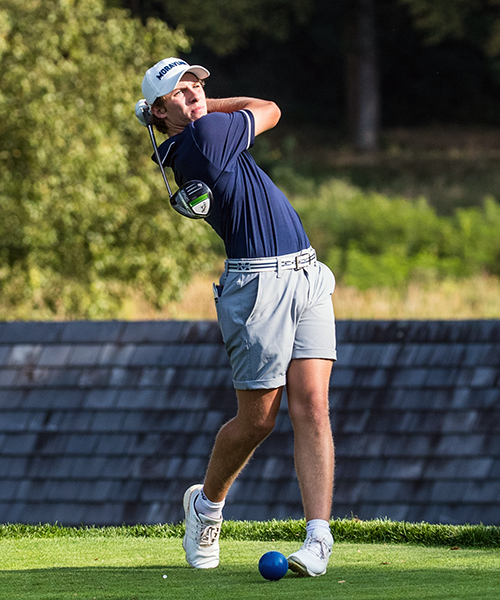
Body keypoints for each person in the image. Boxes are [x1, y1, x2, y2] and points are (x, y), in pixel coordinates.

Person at [140, 58, 338, 576]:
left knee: (313, 407)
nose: (196, 96)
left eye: (197, 86)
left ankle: (318, 539)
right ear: (161, 110)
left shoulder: (194, 135)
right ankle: (207, 505)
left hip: (306, 273)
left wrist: (175, 112)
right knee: (259, 420)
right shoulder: (203, 139)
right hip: (257, 287)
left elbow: (221, 113)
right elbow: (269, 108)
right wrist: (200, 111)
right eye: (179, 94)